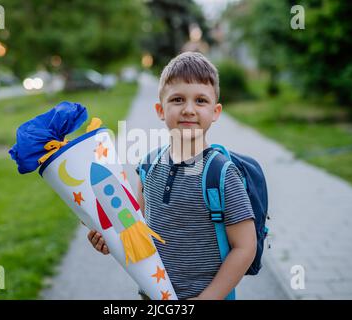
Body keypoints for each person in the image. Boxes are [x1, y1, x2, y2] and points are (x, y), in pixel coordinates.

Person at [87, 51, 257, 300]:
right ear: (160, 109)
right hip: (153, 294)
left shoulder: (221, 174)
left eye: (201, 101)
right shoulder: (148, 165)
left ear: (216, 111)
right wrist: (109, 241)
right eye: (177, 99)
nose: (189, 109)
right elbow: (137, 229)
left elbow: (245, 247)